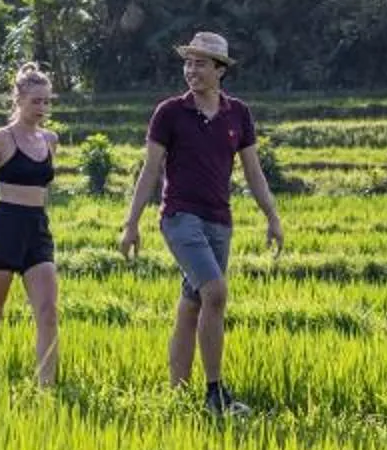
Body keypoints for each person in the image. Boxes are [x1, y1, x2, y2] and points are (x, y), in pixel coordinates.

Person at [118, 30, 282, 414]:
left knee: (192, 303)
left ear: (220, 70)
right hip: (179, 217)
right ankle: (215, 394)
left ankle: (177, 394)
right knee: (216, 293)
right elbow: (150, 170)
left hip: (219, 221)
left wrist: (272, 216)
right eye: (188, 63)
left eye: (201, 64)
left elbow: (254, 173)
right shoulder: (170, 113)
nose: (192, 70)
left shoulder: (238, 114)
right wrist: (131, 223)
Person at [0, 63, 61, 386]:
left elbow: (43, 189)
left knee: (48, 312)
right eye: (36, 101)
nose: (42, 108)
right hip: (4, 228)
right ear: (18, 100)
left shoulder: (50, 140)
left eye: (47, 101)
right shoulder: (0, 139)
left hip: (37, 230)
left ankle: (47, 390)